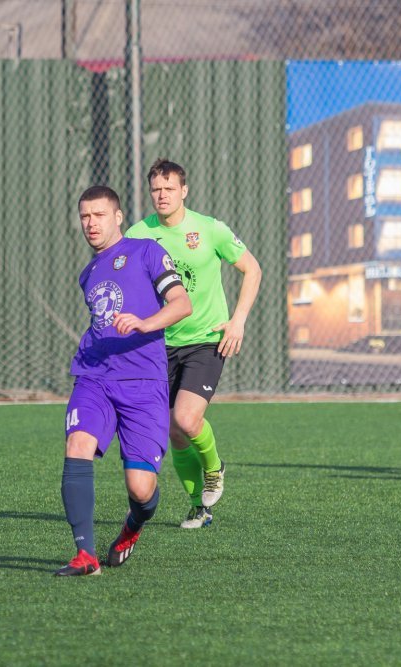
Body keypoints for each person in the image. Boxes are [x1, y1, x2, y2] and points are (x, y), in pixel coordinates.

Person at [56, 185, 191, 576]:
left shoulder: (146, 251)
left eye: (99, 215)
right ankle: (85, 555)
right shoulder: (88, 274)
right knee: (77, 444)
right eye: (85, 216)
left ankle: (133, 525)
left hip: (144, 382)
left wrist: (145, 323)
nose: (91, 223)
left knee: (141, 490)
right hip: (95, 375)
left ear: (118, 217)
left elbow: (182, 303)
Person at [125, 159, 262, 528]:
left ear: (184, 191)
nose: (162, 195)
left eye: (169, 189)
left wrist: (238, 321)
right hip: (160, 345)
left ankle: (214, 469)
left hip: (206, 340)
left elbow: (252, 269)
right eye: (156, 189)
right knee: (173, 431)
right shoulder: (138, 235)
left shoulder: (210, 229)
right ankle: (198, 506)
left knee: (186, 419)